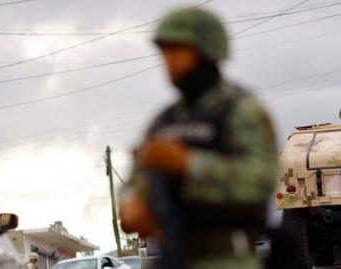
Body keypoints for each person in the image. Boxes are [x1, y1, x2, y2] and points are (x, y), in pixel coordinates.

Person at [118, 7, 278, 269]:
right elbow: (135, 180)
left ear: (207, 50)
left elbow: (262, 179)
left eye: (177, 51)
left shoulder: (241, 111)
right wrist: (131, 204)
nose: (168, 61)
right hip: (172, 257)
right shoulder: (163, 122)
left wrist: (188, 163)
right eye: (164, 52)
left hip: (230, 258)